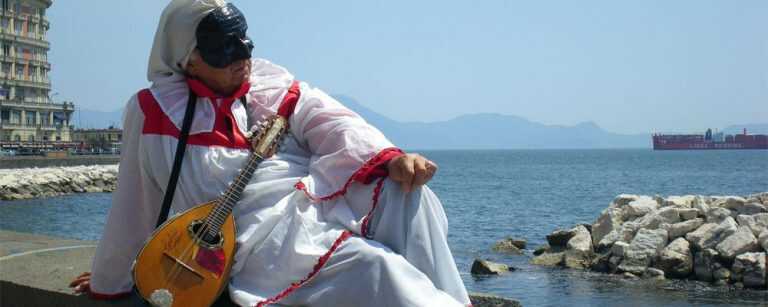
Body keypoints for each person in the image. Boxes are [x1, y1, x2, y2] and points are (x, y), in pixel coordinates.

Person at [69, 0, 470, 306]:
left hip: (307, 208)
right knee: (374, 266)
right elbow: (135, 199)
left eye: (243, 42)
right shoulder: (154, 110)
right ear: (188, 58)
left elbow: (334, 123)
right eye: (223, 49)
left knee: (408, 194)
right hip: (254, 241)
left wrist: (393, 159)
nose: (241, 58)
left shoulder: (271, 87)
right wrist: (113, 277)